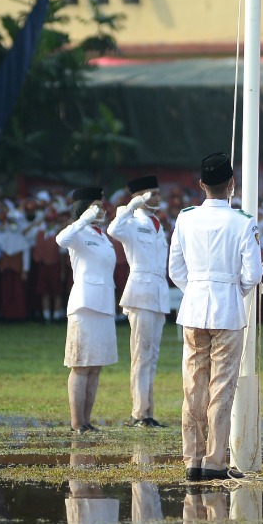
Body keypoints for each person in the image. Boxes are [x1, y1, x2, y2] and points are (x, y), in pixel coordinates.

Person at [169, 153, 262, 481]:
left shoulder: (186, 217)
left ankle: (192, 460)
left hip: (194, 307)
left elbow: (175, 268)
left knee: (194, 384)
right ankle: (214, 461)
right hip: (227, 310)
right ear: (231, 184)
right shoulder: (243, 221)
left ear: (201, 185)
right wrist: (232, 291)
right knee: (222, 387)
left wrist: (195, 288)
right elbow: (253, 273)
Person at [109, 175, 171, 428]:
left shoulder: (158, 224)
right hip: (141, 292)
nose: (157, 197)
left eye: (157, 193)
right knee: (141, 355)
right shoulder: (131, 221)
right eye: (152, 193)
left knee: (152, 355)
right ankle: (139, 413)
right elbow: (113, 230)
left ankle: (147, 411)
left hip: (157, 293)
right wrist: (133, 204)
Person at [56, 187, 119, 433]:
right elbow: (60, 240)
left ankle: (86, 420)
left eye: (101, 205)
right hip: (84, 304)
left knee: (95, 366)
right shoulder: (78, 232)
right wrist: (82, 219)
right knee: (80, 364)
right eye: (95, 205)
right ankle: (76, 422)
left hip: (103, 304)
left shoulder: (102, 236)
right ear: (83, 208)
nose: (101, 210)